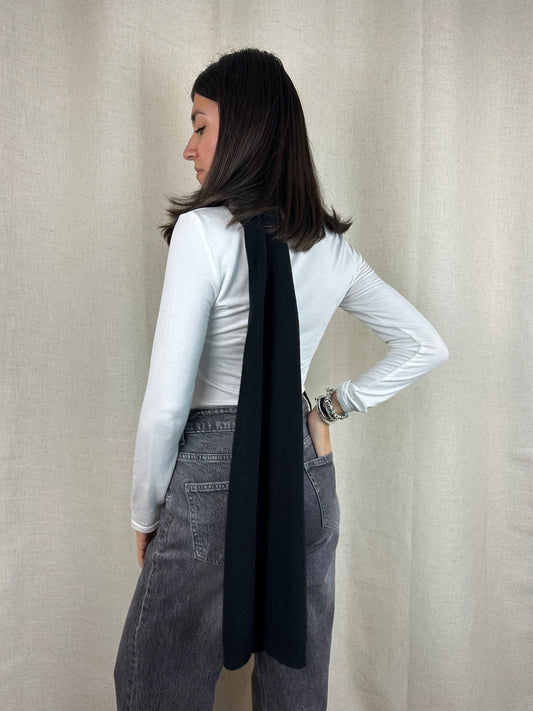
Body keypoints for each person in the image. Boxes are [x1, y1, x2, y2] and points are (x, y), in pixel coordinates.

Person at [114, 48, 448, 711]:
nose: (188, 147)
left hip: (211, 474)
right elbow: (424, 344)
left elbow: (166, 407)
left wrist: (145, 511)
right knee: (295, 684)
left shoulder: (203, 234)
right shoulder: (331, 248)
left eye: (200, 125)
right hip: (304, 468)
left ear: (242, 129)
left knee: (155, 683)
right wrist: (327, 409)